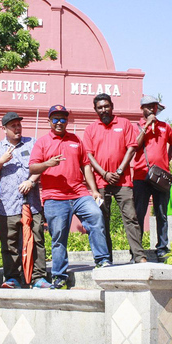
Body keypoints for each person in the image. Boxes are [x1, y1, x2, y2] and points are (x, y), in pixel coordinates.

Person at [29, 105, 111, 290]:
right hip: (54, 198)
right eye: (56, 119)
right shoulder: (42, 142)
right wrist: (48, 163)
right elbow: (32, 168)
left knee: (96, 217)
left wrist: (94, 190)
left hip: (79, 193)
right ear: (49, 121)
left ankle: (103, 262)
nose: (59, 122)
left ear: (67, 121)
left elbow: (86, 166)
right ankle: (59, 276)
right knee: (58, 237)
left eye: (63, 119)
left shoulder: (76, 140)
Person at [0, 112, 51, 289]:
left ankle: (38, 278)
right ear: (4, 129)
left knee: (37, 240)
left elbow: (42, 165)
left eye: (18, 125)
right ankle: (13, 277)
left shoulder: (33, 143)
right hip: (6, 205)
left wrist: (31, 181)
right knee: (9, 243)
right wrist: (1, 161)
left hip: (33, 202)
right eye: (13, 126)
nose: (17, 128)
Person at [84, 94, 147, 264]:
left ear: (112, 106)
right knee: (102, 220)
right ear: (95, 109)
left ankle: (139, 255)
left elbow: (131, 149)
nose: (103, 110)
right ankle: (106, 259)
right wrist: (104, 173)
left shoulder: (124, 123)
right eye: (100, 107)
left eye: (106, 106)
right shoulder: (91, 129)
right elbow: (89, 155)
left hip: (123, 181)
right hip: (100, 182)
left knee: (131, 218)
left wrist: (119, 171)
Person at [132, 95, 172, 261]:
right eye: (148, 106)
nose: (152, 109)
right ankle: (136, 251)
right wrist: (147, 126)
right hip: (140, 175)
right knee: (139, 214)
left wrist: (167, 160)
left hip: (160, 176)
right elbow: (134, 145)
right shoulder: (136, 127)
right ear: (142, 108)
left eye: (154, 106)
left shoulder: (165, 127)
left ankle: (162, 248)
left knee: (161, 213)